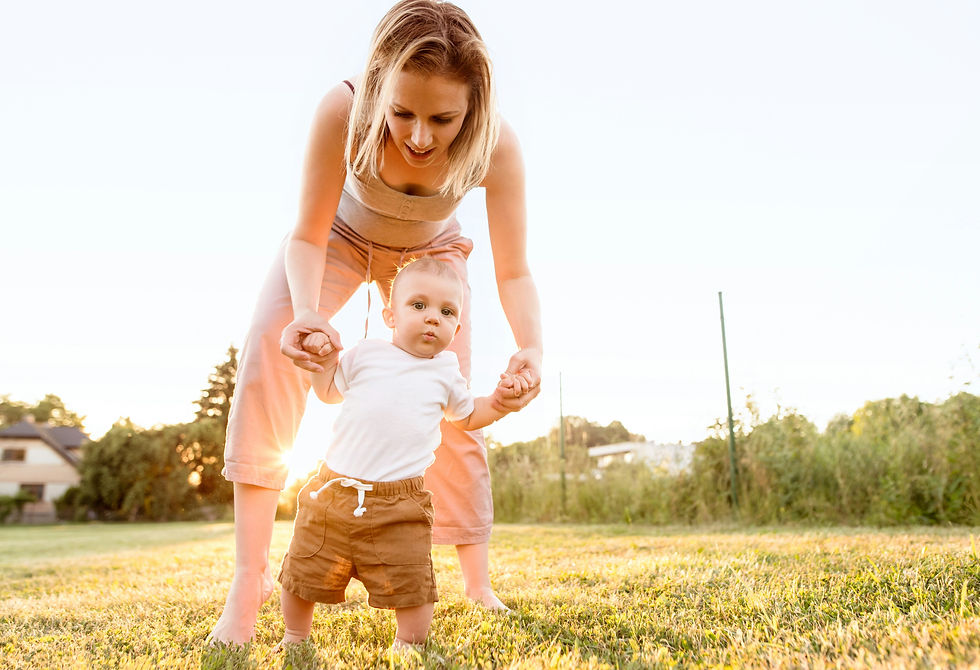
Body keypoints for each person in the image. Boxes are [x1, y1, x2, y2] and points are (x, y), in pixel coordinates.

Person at [209, 0, 542, 644]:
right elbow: (304, 235)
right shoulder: (342, 110)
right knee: (268, 354)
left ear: (473, 109)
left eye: (443, 119)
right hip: (335, 237)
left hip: (432, 255)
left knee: (450, 394)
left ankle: (477, 581)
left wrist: (531, 346)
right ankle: (249, 579)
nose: (420, 137)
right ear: (378, 87)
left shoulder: (497, 147)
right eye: (402, 114)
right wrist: (307, 313)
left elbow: (515, 272)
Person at [278, 258, 521, 652]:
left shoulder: (446, 370)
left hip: (400, 503)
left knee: (413, 582)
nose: (432, 319)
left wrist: (501, 402)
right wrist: (321, 363)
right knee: (304, 570)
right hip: (333, 491)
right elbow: (328, 392)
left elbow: (469, 416)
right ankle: (295, 636)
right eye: (418, 305)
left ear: (456, 330)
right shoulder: (366, 353)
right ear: (390, 315)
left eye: (446, 312)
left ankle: (408, 643)